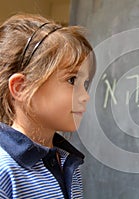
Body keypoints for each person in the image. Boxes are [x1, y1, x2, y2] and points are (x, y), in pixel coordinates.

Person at [0, 13, 95, 199]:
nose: (85, 96)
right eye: (72, 80)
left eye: (85, 84)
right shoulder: (4, 170)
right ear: (21, 88)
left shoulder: (68, 162)